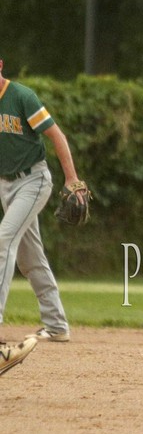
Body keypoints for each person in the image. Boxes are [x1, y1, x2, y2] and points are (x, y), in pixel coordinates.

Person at [0, 57, 82, 345]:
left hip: (33, 180)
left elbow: (56, 134)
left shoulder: (21, 97)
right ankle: (56, 325)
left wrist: (71, 179)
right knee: (29, 257)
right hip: (6, 184)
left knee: (3, 240)